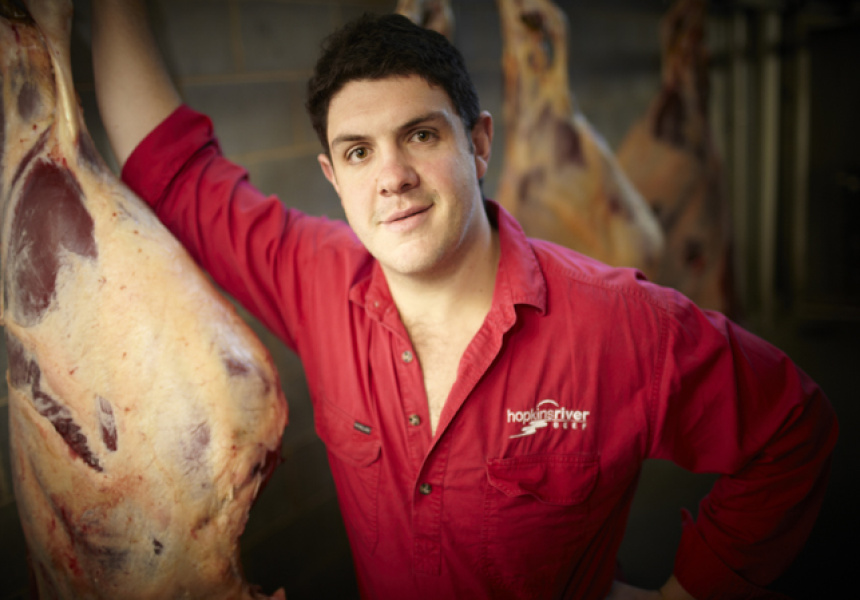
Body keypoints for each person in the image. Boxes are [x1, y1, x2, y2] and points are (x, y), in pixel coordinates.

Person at [91, 1, 838, 599]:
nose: (392, 176)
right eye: (359, 152)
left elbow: (791, 426)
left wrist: (690, 590)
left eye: (419, 135)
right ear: (333, 176)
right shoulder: (315, 279)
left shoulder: (617, 321)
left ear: (477, 144)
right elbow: (175, 170)